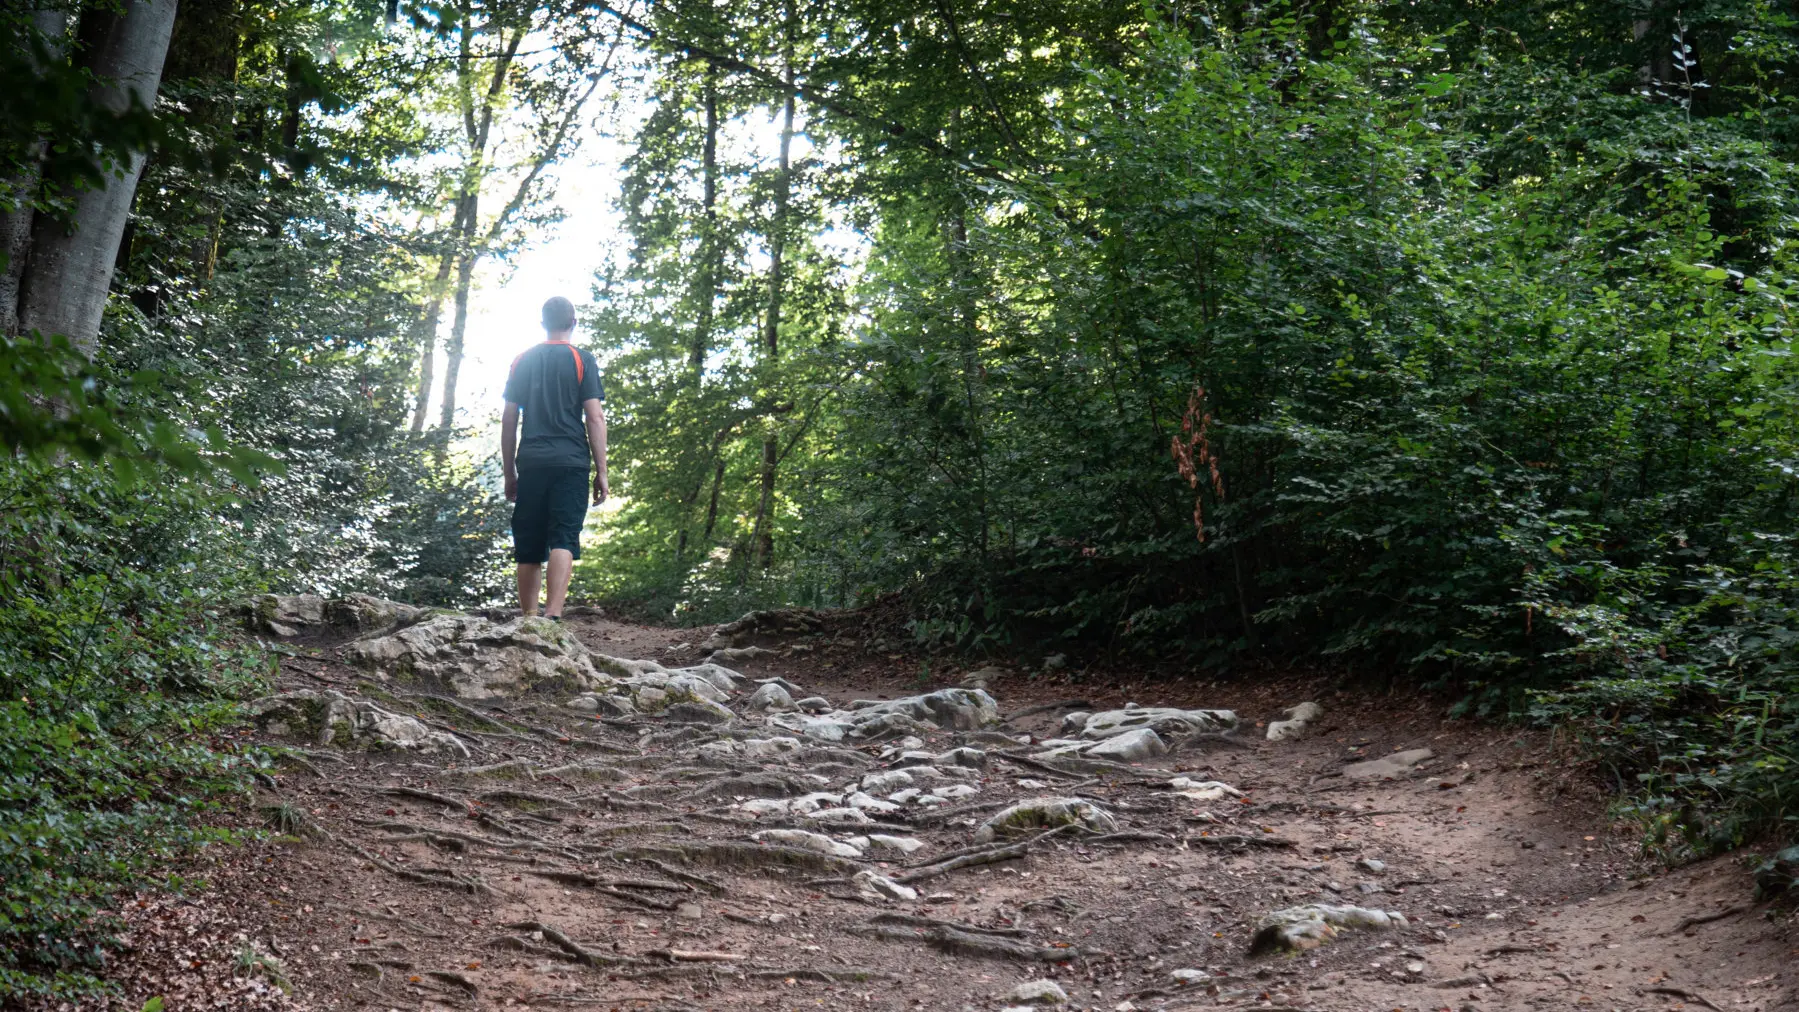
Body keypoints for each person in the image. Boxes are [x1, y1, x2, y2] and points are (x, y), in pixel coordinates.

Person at [500, 296, 607, 620]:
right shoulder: (582, 359)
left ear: (543, 322)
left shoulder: (523, 360)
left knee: (529, 541)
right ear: (573, 323)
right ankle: (554, 617)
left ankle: (530, 619)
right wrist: (602, 472)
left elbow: (508, 418)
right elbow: (595, 417)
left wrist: (509, 473)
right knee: (564, 536)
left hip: (532, 461)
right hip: (571, 461)